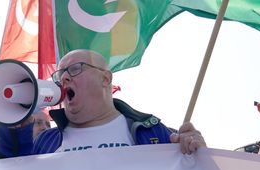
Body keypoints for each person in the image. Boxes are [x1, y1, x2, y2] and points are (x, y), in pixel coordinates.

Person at [30, 50, 205, 155]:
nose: (65, 77)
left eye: (75, 69)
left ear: (105, 78)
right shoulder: (45, 142)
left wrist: (199, 153)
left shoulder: (153, 132)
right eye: (60, 75)